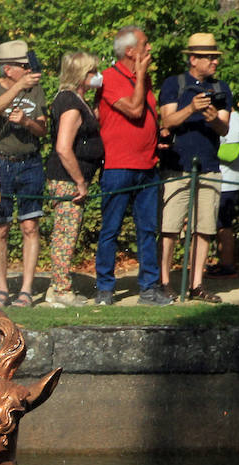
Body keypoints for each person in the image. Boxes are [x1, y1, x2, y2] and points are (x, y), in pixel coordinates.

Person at [94, 25, 174, 306]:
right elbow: (135, 109)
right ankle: (105, 288)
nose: (150, 48)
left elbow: (145, 116)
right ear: (130, 51)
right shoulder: (108, 78)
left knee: (148, 229)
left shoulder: (145, 79)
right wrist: (141, 77)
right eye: (145, 44)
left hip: (147, 164)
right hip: (118, 166)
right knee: (111, 229)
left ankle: (149, 289)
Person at [157, 33, 234, 304]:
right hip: (177, 166)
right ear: (193, 59)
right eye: (209, 57)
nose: (214, 62)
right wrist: (191, 108)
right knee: (170, 227)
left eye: (215, 57)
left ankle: (197, 284)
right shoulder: (173, 85)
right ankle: (164, 282)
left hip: (209, 167)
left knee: (204, 228)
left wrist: (213, 119)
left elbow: (224, 127)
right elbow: (167, 121)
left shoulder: (221, 87)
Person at [0, 41, 47, 307]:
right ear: (9, 69)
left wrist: (27, 122)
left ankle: (27, 290)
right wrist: (19, 87)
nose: (29, 70)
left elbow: (43, 130)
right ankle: (3, 289)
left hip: (30, 163)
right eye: (24, 66)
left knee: (30, 226)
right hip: (1, 163)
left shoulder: (36, 90)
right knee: (0, 228)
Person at [43, 51, 104, 306]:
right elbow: (63, 147)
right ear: (81, 74)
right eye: (92, 72)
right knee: (65, 234)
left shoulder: (77, 99)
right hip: (67, 179)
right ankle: (60, 289)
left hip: (72, 177)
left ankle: (59, 286)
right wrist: (79, 181)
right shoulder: (70, 102)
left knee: (67, 232)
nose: (97, 76)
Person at [208, 106, 239, 278]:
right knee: (218, 225)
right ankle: (222, 263)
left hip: (227, 182)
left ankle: (228, 265)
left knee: (224, 225)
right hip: (217, 181)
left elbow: (231, 153)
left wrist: (205, 152)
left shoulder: (234, 118)